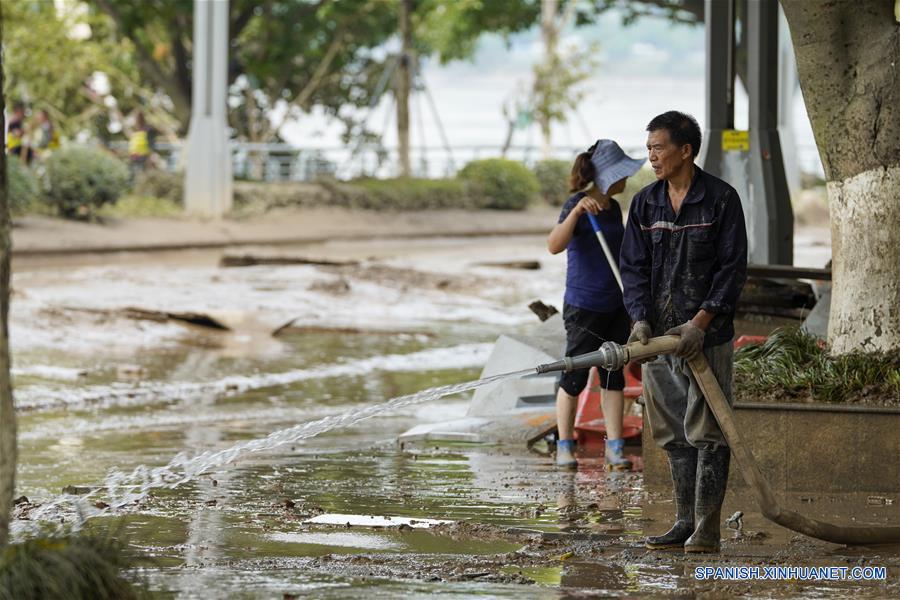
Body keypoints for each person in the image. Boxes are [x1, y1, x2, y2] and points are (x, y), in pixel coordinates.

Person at [619, 111, 747, 553]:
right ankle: (683, 522)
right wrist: (639, 320)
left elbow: (731, 271)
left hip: (704, 340)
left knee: (708, 432)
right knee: (673, 434)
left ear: (685, 150)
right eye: (649, 148)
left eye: (658, 148)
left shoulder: (721, 200)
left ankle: (707, 529)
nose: (650, 157)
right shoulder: (645, 203)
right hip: (658, 342)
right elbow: (632, 269)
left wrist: (701, 322)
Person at [547, 139, 645, 470]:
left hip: (615, 304)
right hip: (584, 306)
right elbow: (554, 245)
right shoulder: (576, 204)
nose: (626, 179)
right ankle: (564, 447)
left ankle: (615, 449)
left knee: (613, 374)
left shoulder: (614, 208)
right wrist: (575, 212)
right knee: (573, 376)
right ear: (606, 176)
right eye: (622, 174)